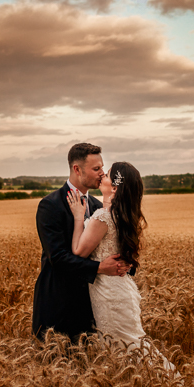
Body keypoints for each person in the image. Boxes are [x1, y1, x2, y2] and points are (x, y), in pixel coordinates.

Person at [66, 161, 175, 372]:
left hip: (108, 293)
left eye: (106, 175)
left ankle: (160, 385)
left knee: (123, 348)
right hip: (121, 289)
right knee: (132, 346)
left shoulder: (103, 216)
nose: (101, 177)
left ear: (114, 187)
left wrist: (79, 218)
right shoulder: (123, 215)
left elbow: (79, 252)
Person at [32, 143, 130, 342]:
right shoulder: (50, 205)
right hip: (58, 305)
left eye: (102, 168)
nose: (102, 174)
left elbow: (112, 245)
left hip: (93, 306)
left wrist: (125, 264)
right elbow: (58, 258)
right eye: (96, 169)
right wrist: (100, 267)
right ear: (77, 169)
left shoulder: (98, 207)